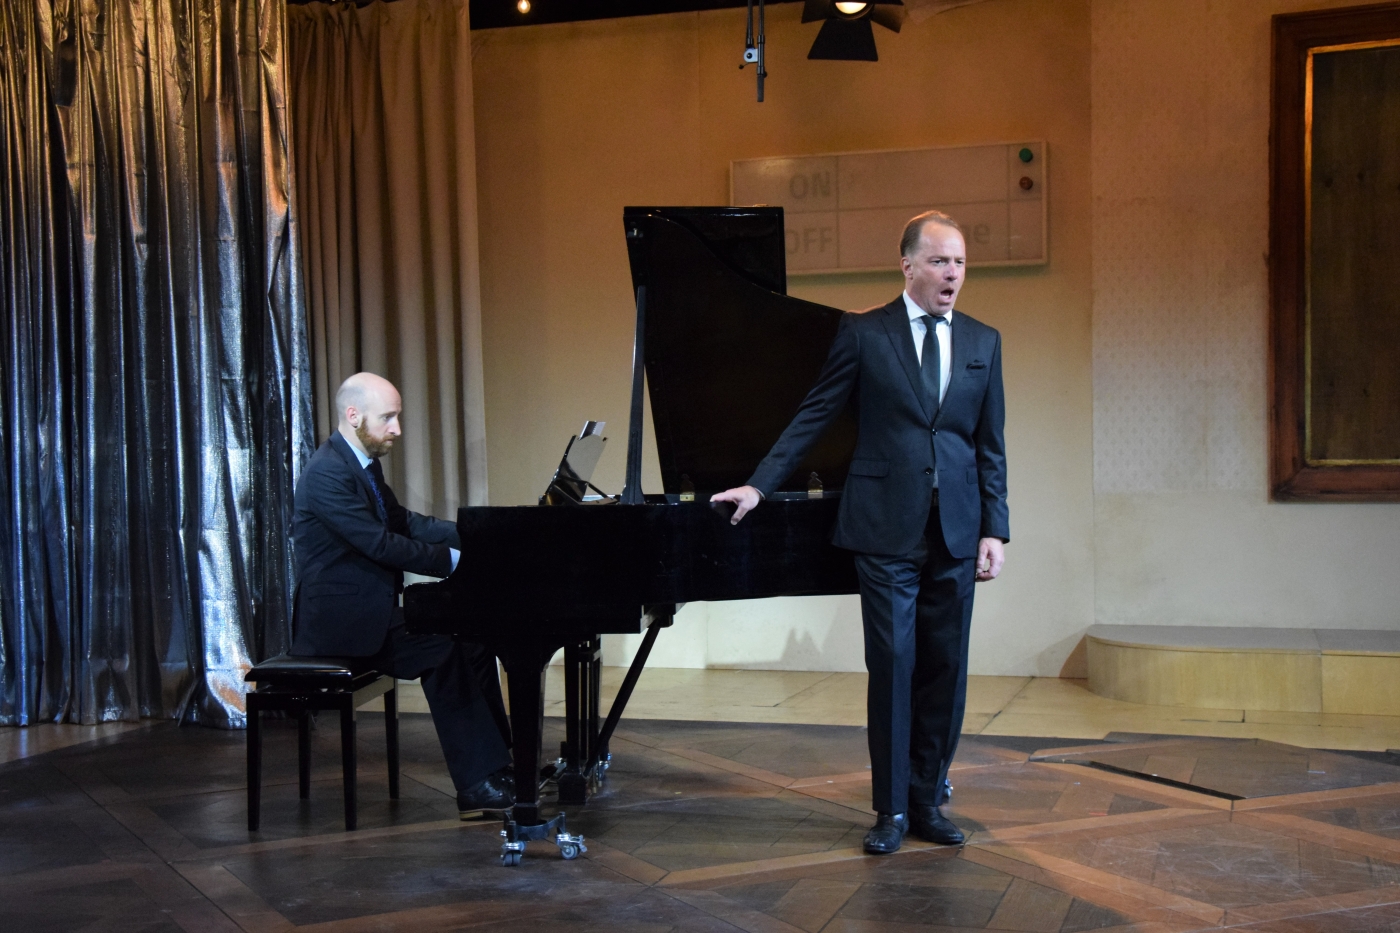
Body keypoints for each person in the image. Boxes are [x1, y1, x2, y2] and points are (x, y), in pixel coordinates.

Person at [712, 211, 1009, 854]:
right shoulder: (864, 333)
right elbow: (813, 413)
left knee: (945, 670)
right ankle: (890, 812)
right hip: (883, 528)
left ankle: (927, 801)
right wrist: (760, 484)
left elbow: (991, 447)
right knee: (895, 665)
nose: (951, 273)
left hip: (956, 530)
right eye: (938, 261)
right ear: (907, 266)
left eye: (959, 262)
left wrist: (996, 529)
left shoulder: (985, 342)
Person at [291, 372, 514, 817]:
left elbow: (405, 523)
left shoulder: (360, 463)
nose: (396, 428)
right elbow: (381, 544)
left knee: (473, 637)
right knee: (440, 647)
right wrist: (455, 562)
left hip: (366, 612)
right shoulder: (328, 474)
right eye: (388, 418)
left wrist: (479, 535)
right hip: (339, 624)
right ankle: (475, 785)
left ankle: (500, 768)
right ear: (353, 416)